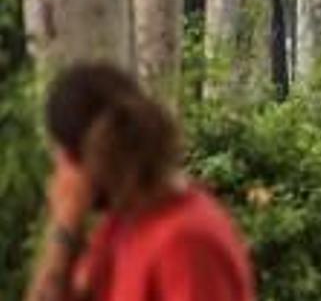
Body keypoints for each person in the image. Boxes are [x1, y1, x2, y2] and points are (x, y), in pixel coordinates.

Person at [25, 62, 254, 301]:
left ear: (76, 160)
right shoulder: (124, 225)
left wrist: (65, 220)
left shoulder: (185, 243)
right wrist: (66, 225)